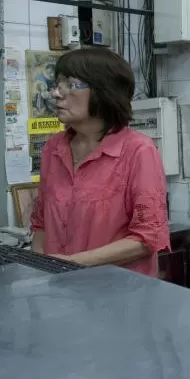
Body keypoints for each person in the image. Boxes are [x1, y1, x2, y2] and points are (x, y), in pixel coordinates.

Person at [30, 48, 169, 277]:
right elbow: (41, 223)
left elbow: (147, 238)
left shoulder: (138, 151)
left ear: (103, 92)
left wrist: (71, 264)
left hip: (116, 295)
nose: (56, 93)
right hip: (57, 292)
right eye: (57, 84)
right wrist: (39, 271)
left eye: (71, 85)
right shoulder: (54, 148)